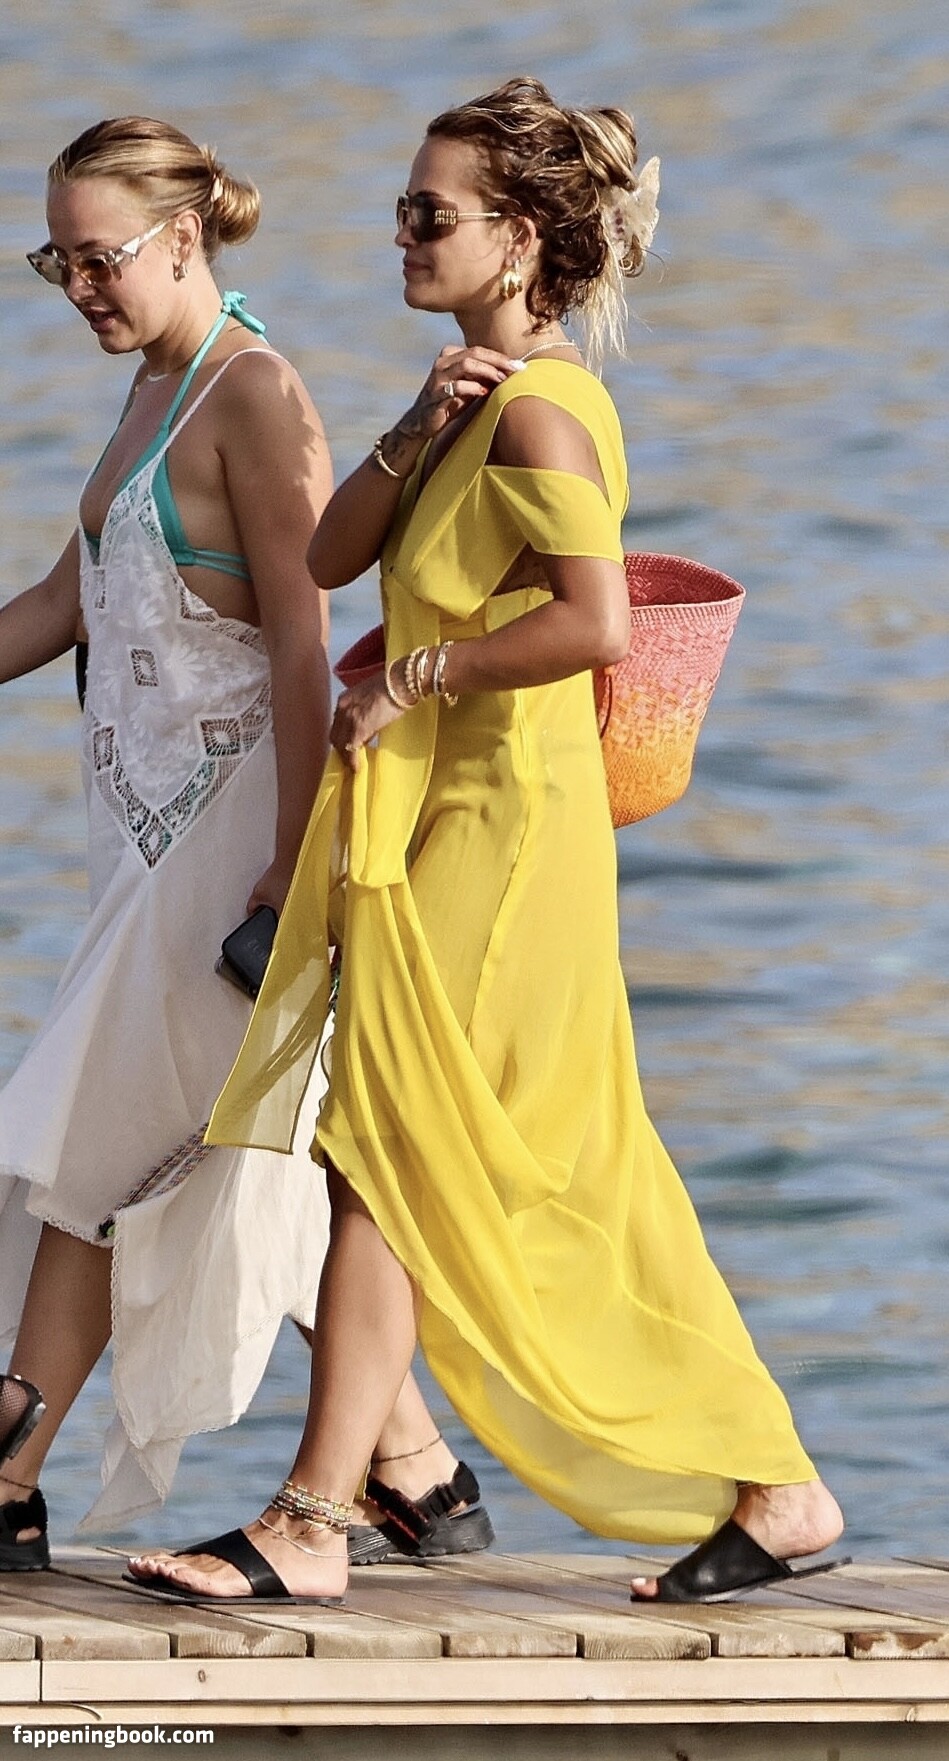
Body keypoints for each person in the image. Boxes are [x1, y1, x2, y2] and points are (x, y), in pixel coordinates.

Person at [129, 77, 843, 1608]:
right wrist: (409, 426)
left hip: (498, 839)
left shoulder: (543, 411)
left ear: (517, 238)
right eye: (400, 206)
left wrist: (420, 676)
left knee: (405, 1156)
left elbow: (591, 625)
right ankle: (767, 1484)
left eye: (427, 212)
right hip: (441, 829)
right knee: (440, 1159)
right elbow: (329, 557)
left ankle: (320, 1516)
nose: (400, 232)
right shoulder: (473, 398)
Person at [0, 117, 475, 1573]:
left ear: (185, 237)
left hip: (233, 833)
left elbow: (303, 638)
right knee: (225, 1158)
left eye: (100, 258)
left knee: (92, 1141)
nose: (81, 287)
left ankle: (8, 1471)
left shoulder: (254, 392)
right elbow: (73, 600)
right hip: (142, 845)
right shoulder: (153, 384)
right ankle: (417, 1469)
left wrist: (287, 867)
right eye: (57, 263)